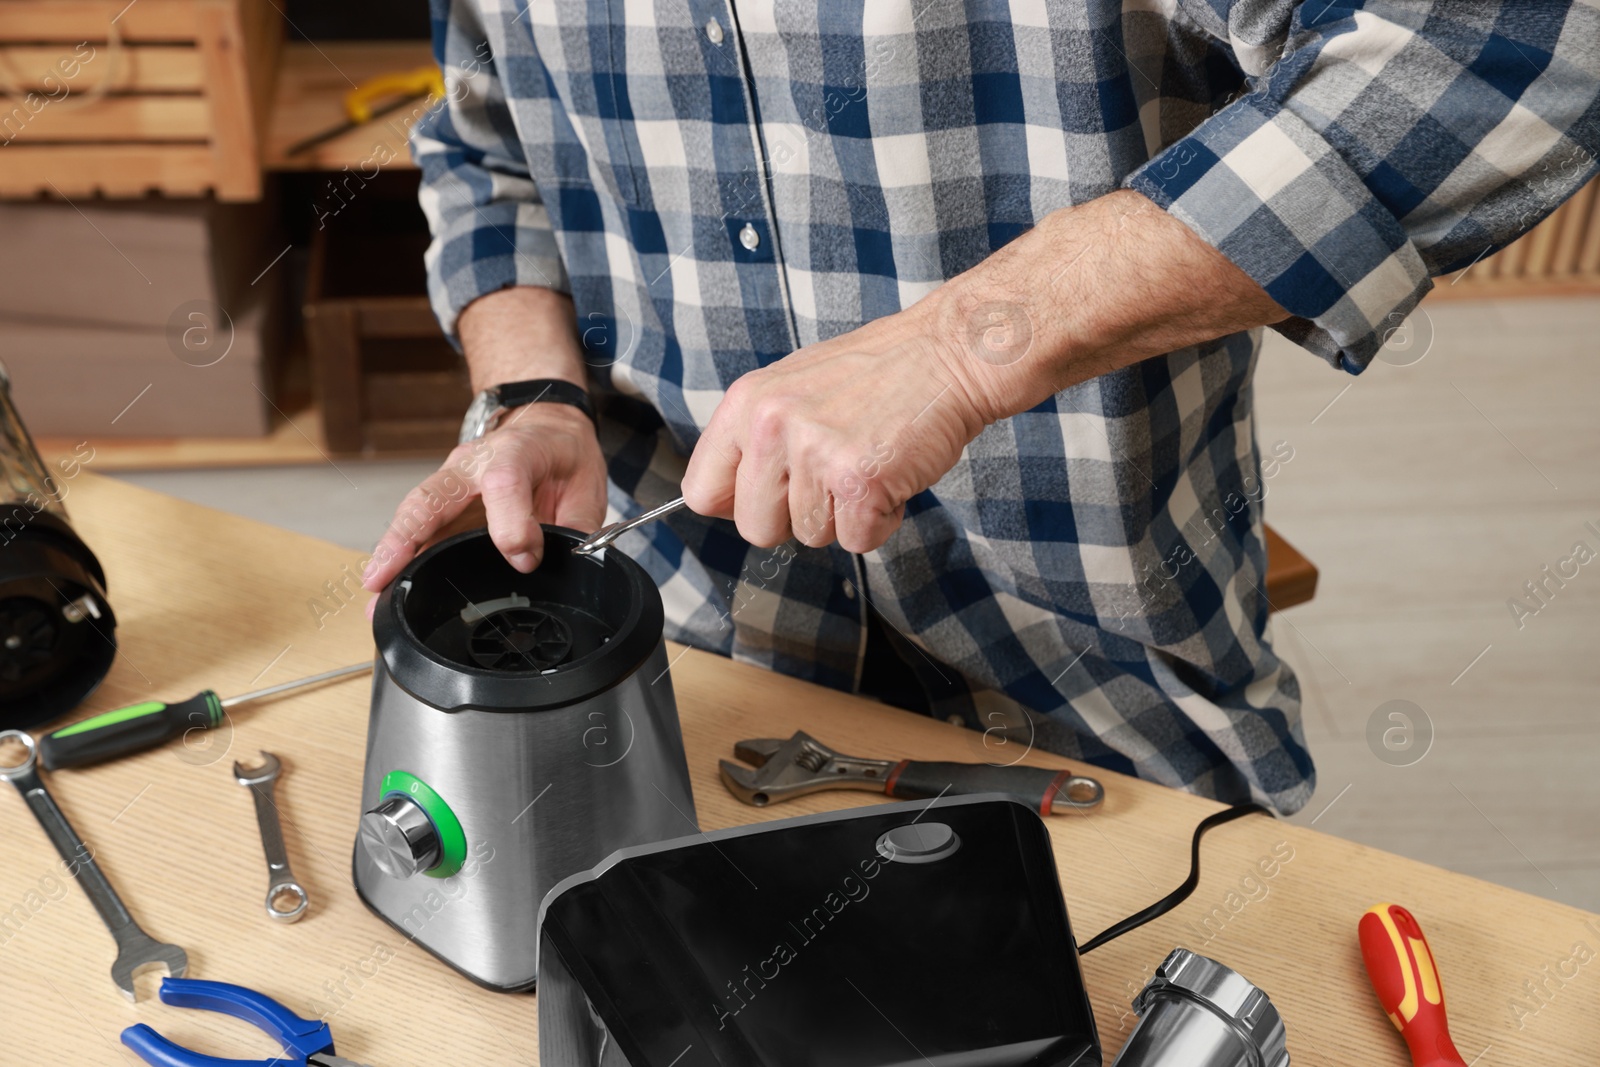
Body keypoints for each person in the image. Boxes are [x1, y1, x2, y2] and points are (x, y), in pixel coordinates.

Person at [364, 2, 1599, 814]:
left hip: (1096, 708)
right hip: (689, 678)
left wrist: (957, 350)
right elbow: (483, 149)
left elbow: (1515, 46)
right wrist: (527, 391)